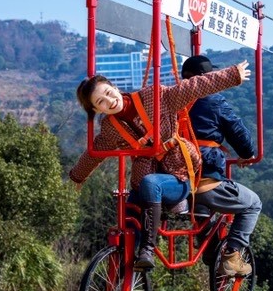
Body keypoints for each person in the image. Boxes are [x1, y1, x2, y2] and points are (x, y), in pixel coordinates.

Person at [70, 61, 251, 269]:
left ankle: (148, 248)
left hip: (179, 173)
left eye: (109, 93)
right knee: (129, 217)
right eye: (101, 102)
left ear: (116, 88)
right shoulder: (111, 127)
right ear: (96, 109)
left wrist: (232, 75)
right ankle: (121, 278)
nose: (110, 101)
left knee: (150, 183)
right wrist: (77, 176)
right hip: (146, 178)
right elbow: (95, 151)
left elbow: (194, 86)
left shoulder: (155, 97)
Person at [181, 55, 262, 277]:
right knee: (253, 204)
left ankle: (209, 249)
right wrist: (247, 154)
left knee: (201, 206)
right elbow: (236, 129)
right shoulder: (212, 99)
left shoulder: (172, 98)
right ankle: (232, 255)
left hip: (176, 177)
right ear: (207, 78)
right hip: (203, 177)